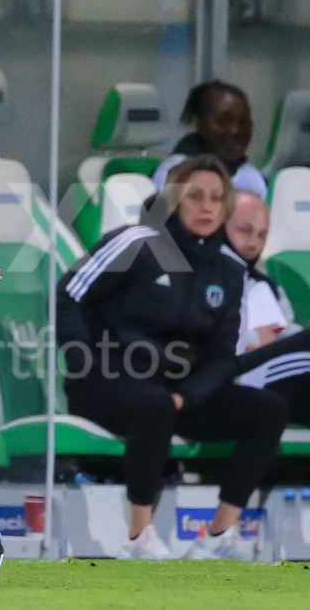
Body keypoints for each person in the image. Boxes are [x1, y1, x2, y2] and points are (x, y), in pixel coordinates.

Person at [58, 155, 287, 560]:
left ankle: (220, 531)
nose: (207, 206)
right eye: (195, 196)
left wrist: (189, 397)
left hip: (177, 393)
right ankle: (140, 532)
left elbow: (222, 357)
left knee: (268, 411)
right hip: (107, 382)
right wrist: (82, 362)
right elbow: (70, 294)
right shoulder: (135, 242)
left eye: (217, 198)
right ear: (174, 199)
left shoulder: (229, 273)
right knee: (155, 405)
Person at [226, 191, 310, 422]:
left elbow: (281, 333)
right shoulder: (204, 280)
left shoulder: (263, 285)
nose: (253, 244)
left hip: (280, 377)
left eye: (262, 235)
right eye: (244, 231)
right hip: (236, 377)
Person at [152, 81, 268, 199]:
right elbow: (158, 216)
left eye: (243, 122)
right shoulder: (177, 172)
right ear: (201, 125)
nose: (235, 130)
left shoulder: (251, 176)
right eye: (222, 122)